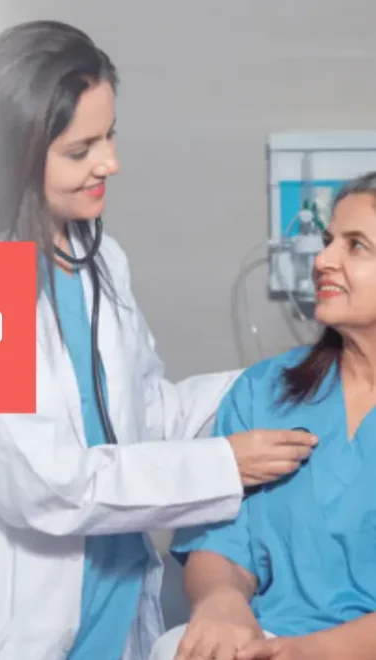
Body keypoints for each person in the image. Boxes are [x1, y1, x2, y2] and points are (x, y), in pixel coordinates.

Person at [0, 19, 318, 660]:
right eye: (81, 150)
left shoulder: (99, 259)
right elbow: (46, 484)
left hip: (114, 603)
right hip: (17, 620)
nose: (111, 163)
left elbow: (147, 414)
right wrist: (224, 465)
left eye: (110, 136)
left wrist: (290, 376)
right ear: (12, 153)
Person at [150, 171, 376, 660]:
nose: (323, 260)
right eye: (328, 240)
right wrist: (222, 598)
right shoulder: (264, 391)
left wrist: (310, 652)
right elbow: (222, 537)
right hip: (266, 643)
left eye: (357, 246)